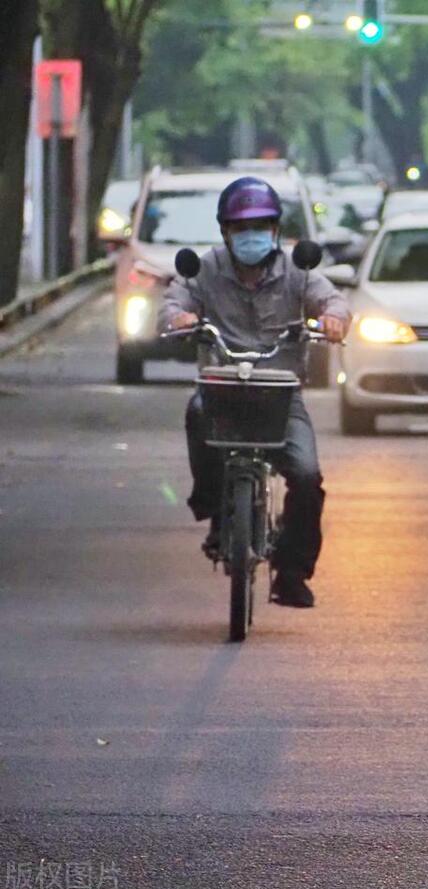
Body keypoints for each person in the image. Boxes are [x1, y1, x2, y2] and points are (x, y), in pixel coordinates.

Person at [158, 176, 350, 609]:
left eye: (261, 226)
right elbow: (172, 304)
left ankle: (292, 572)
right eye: (241, 228)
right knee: (196, 411)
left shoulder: (299, 274)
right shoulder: (204, 270)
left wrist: (335, 320)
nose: (251, 235)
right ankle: (213, 504)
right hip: (221, 389)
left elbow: (333, 301)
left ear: (276, 230)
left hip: (280, 394)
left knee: (306, 477)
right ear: (225, 232)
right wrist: (180, 319)